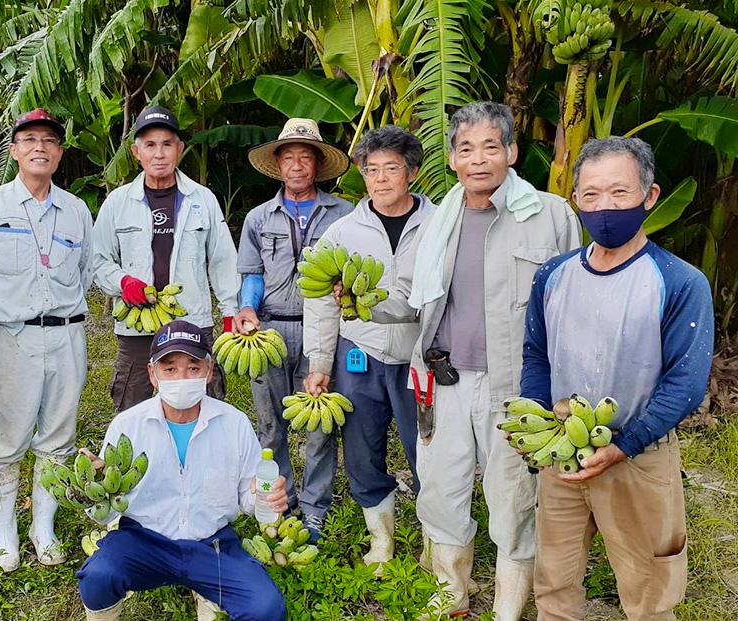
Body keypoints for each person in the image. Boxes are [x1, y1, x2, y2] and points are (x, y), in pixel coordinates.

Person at [371, 102, 581, 619]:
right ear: (452, 157)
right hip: (443, 380)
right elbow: (407, 297)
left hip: (515, 386)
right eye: (467, 148)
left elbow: (572, 305)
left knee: (513, 494)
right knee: (441, 491)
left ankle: (508, 607)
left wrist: (565, 388)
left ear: (511, 151)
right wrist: (358, 299)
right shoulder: (435, 222)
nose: (479, 158)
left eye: (492, 146)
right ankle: (451, 596)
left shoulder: (551, 215)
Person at [522, 137, 713, 620]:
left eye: (619, 193)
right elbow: (537, 356)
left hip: (638, 458)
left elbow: (685, 384)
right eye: (590, 195)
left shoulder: (679, 281)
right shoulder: (553, 275)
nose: (603, 206)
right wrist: (537, 428)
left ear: (649, 196)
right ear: (576, 200)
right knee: (554, 586)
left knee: (649, 594)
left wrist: (624, 444)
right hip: (562, 456)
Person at [74, 320, 288, 621]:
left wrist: (263, 494)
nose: (182, 377)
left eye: (193, 367)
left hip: (211, 545)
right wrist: (95, 486)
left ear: (209, 370)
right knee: (97, 577)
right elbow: (107, 513)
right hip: (143, 541)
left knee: (266, 608)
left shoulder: (234, 423)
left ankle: (206, 588)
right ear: (153, 374)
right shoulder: (127, 426)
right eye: (170, 369)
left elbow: (247, 498)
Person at [0, 109, 95, 571]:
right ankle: (5, 537)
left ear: (60, 153)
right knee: (7, 438)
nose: (41, 147)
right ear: (14, 150)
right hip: (10, 338)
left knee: (59, 438)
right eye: (30, 139)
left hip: (67, 335)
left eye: (50, 141)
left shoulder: (76, 210)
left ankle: (44, 528)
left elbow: (86, 271)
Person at [301, 125, 436, 574]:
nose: (380, 179)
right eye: (371, 169)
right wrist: (320, 362)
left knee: (429, 451)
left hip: (423, 356)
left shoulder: (440, 226)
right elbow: (319, 302)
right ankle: (381, 542)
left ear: (411, 173)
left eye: (391, 169)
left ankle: (435, 541)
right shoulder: (342, 232)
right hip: (360, 355)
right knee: (361, 449)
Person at [235, 118, 352, 539]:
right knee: (270, 423)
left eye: (306, 158)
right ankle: (280, 499)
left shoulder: (345, 214)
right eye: (290, 158)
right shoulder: (258, 217)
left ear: (318, 165)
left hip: (323, 333)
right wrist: (247, 309)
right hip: (269, 330)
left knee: (320, 421)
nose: (298, 166)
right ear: (278, 165)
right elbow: (252, 273)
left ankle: (316, 504)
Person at [92, 105, 241, 411]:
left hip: (192, 319)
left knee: (201, 403)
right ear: (136, 152)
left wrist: (230, 313)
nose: (158, 153)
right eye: (150, 145)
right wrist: (124, 282)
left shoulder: (202, 199)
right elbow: (97, 259)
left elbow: (222, 260)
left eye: (167, 144)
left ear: (179, 149)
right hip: (138, 324)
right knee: (133, 403)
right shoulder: (118, 203)